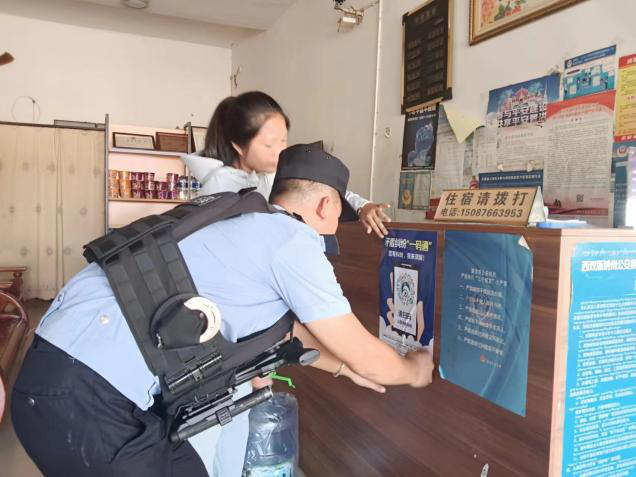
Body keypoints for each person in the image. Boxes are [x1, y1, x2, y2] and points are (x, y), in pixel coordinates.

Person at [11, 144, 434, 477]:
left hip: (58, 376)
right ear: (326, 206)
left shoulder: (239, 222)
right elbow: (360, 349)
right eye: (340, 210)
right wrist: (413, 370)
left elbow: (287, 335)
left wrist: (343, 368)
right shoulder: (292, 241)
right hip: (87, 397)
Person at [183, 91, 392, 238]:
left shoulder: (266, 173)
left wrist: (363, 206)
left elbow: (316, 188)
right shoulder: (220, 188)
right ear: (239, 145)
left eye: (283, 140)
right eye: (269, 144)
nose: (279, 150)